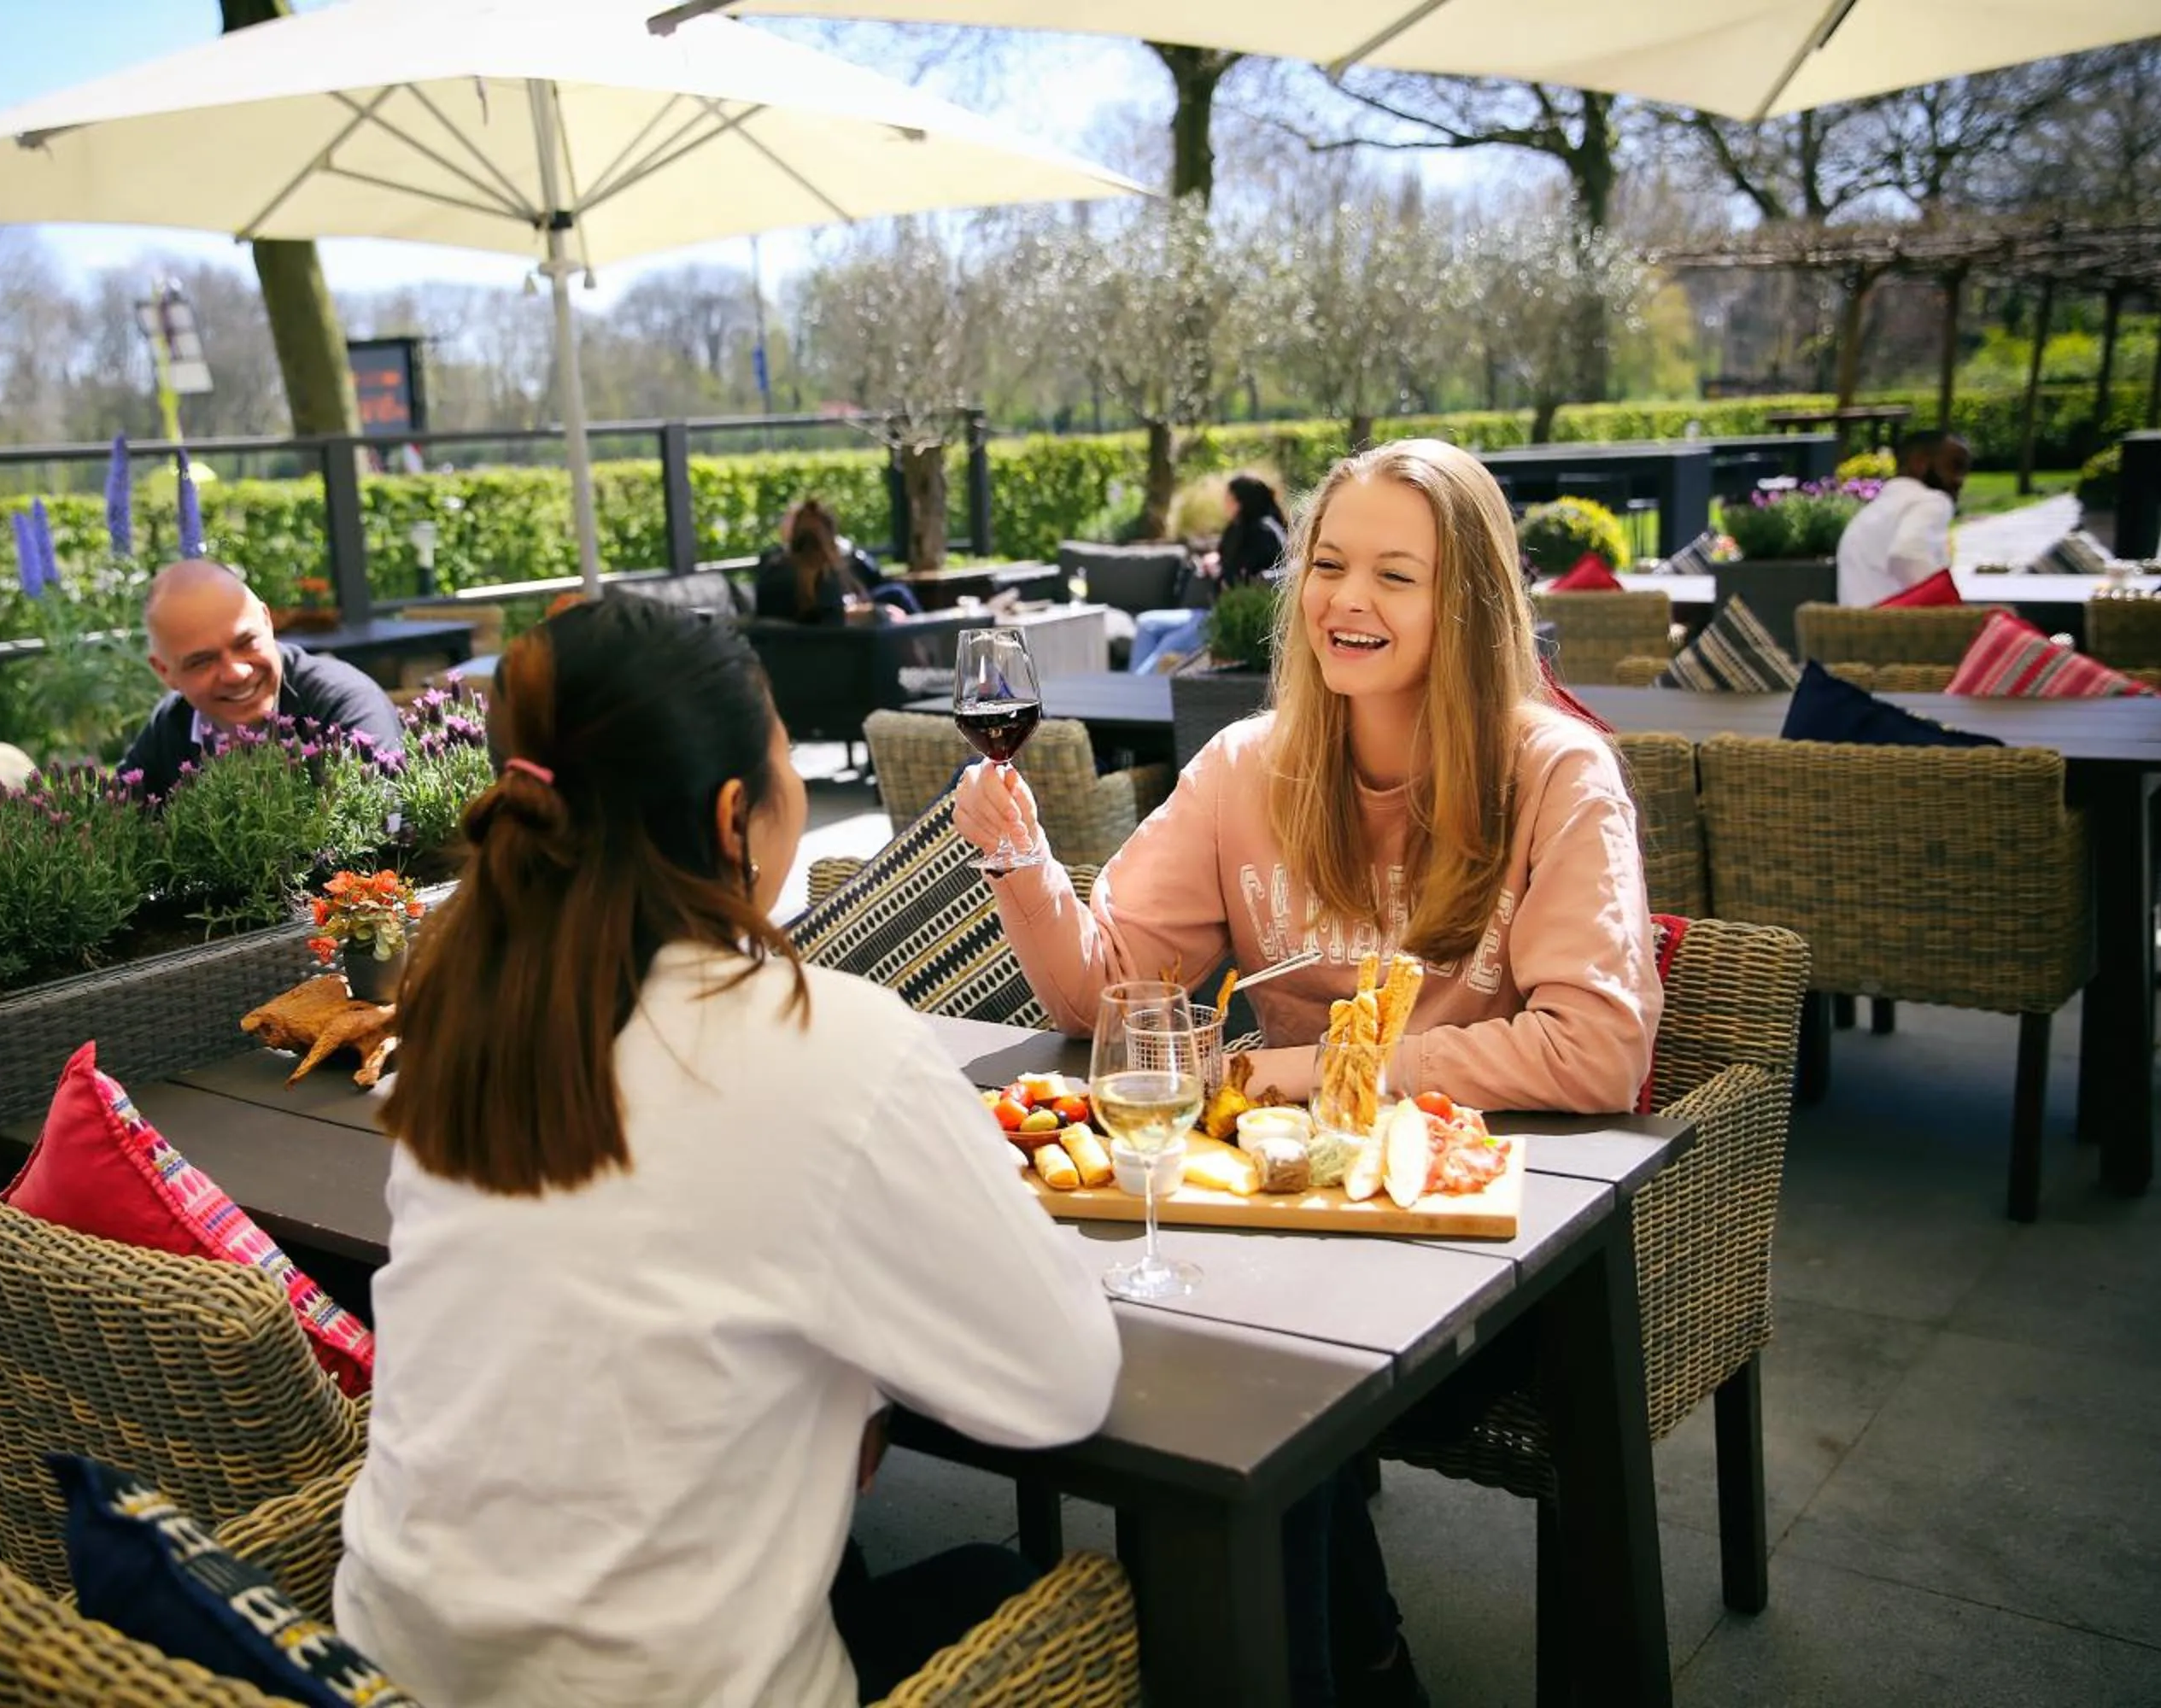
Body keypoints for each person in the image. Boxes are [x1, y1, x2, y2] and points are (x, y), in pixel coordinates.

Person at [956, 437, 1662, 1706]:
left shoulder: (1557, 773)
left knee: (1216, 1367)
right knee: (1154, 1329)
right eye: (1330, 565)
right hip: (1285, 1217)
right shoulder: (1249, 769)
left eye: (1398, 575)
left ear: (1472, 605)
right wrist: (1021, 865)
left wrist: (1319, 1068)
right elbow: (1103, 998)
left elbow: (1599, 1049)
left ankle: (1326, 1664)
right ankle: (1354, 1664)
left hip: (1487, 1244)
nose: (1349, 600)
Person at [334, 597, 1121, 1707]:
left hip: (391, 1672)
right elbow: (1062, 1386)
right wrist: (863, 1377)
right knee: (1004, 1579)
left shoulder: (460, 1031)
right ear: (732, 814)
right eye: (787, 755)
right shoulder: (828, 1045)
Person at [118, 558, 403, 794]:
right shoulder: (171, 723)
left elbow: (383, 830)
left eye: (245, 643)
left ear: (267, 623)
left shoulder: (341, 704)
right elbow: (110, 829)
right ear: (165, 672)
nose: (236, 672)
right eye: (203, 661)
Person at [1128, 473, 1290, 673]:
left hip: (1226, 619)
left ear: (1240, 501)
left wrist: (1219, 570)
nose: (1224, 503)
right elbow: (1233, 564)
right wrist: (1217, 562)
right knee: (1147, 623)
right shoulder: (1239, 528)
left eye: (1227, 498)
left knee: (1170, 643)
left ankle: (1133, 690)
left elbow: (1247, 579)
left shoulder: (1263, 533)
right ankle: (1134, 690)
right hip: (1211, 612)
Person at [1836, 429, 1971, 606]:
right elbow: (1908, 555)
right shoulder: (1931, 500)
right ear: (1919, 462)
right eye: (1955, 467)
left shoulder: (1871, 513)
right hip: (1900, 628)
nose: (1960, 480)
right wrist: (1952, 610)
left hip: (1856, 627)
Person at [752, 498, 922, 623]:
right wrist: (877, 615)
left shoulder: (771, 575)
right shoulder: (823, 581)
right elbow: (835, 626)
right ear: (831, 538)